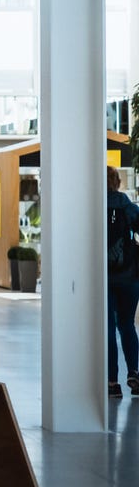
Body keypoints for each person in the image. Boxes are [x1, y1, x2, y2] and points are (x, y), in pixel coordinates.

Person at [106, 166, 139, 398]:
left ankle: (112, 383)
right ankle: (134, 372)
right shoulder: (126, 204)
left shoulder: (93, 206)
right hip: (129, 276)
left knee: (107, 328)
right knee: (127, 324)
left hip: (103, 277)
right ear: (117, 182)